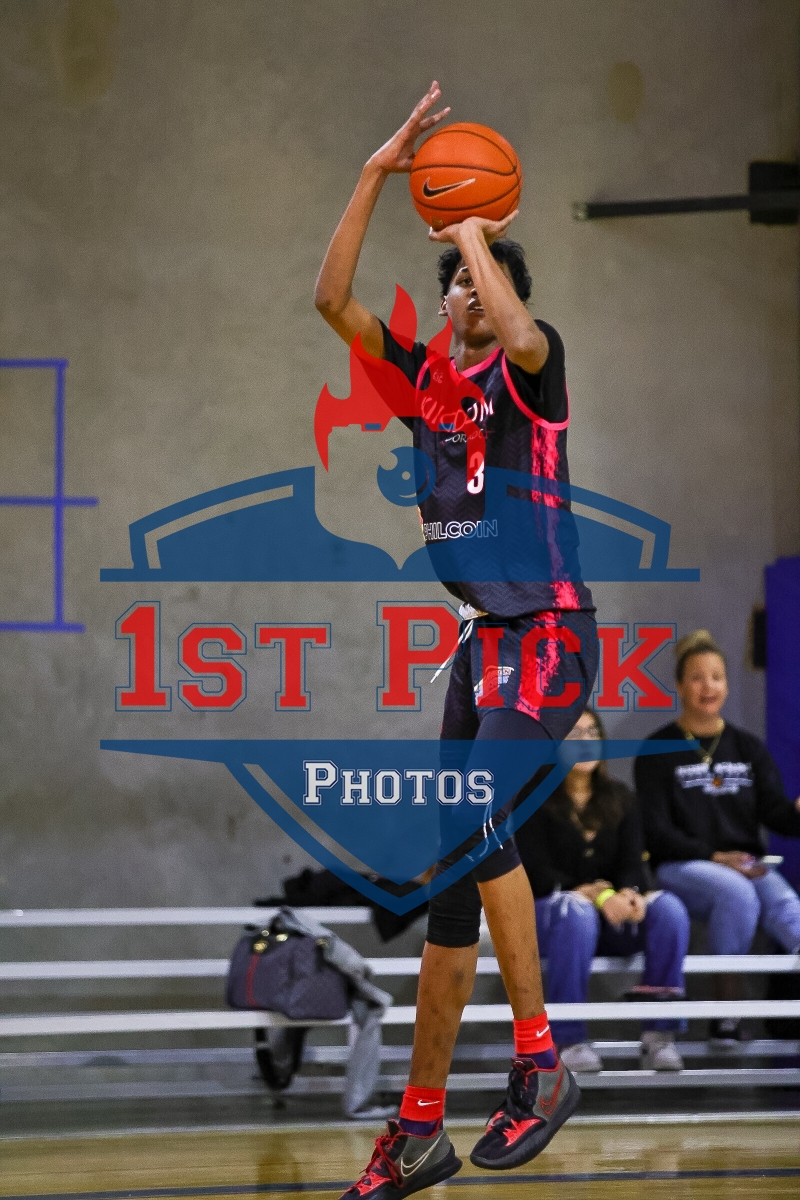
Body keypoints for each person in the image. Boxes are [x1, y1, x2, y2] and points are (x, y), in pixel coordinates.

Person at [315, 82, 597, 1196]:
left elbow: (517, 327)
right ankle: (419, 1128)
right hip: (479, 647)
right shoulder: (427, 389)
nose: (466, 294)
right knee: (449, 886)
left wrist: (473, 226)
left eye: (480, 281)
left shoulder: (535, 367)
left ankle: (539, 1063)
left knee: (481, 821)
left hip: (548, 629)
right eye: (454, 285)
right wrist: (376, 175)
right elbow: (330, 299)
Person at [635, 629, 800, 1044]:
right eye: (696, 677)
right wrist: (714, 857)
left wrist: (796, 813)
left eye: (716, 677)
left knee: (787, 908)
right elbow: (656, 832)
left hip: (747, 864)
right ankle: (726, 1014)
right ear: (679, 686)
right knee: (735, 892)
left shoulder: (748, 748)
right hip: (682, 866)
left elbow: (777, 814)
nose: (707, 686)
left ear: (726, 685)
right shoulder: (656, 750)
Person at [516, 708, 690, 1073]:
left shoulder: (620, 796)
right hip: (553, 919)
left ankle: (659, 1036)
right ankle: (569, 1040)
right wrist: (596, 895)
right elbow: (536, 873)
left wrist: (631, 893)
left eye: (592, 733)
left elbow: (633, 863)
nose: (586, 742)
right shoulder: (532, 798)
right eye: (574, 734)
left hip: (611, 919)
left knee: (669, 908)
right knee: (575, 911)